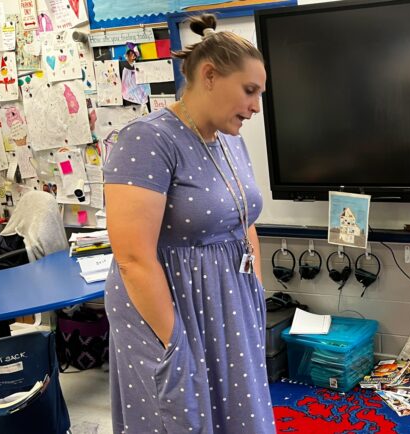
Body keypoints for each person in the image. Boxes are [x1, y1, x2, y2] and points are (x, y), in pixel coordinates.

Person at [103, 13, 272, 433]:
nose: (255, 106)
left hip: (228, 305)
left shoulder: (230, 141)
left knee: (238, 414)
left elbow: (243, 219)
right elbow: (132, 257)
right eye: (249, 91)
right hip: (174, 309)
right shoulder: (148, 140)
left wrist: (257, 295)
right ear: (210, 75)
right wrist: (174, 340)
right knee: (182, 416)